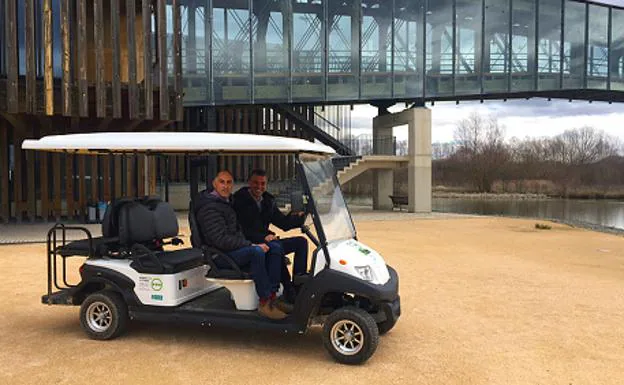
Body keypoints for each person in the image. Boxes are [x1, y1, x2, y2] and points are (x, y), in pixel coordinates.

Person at [194, 170, 289, 320]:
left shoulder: (227, 203)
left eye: (229, 182)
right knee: (257, 252)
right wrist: (250, 244)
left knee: (273, 249)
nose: (226, 186)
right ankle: (264, 302)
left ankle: (272, 296)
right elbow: (220, 239)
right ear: (214, 184)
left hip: (231, 250)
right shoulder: (210, 208)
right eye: (222, 182)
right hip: (219, 254)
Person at [233, 169, 308, 305]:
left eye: (263, 184)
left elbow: (283, 223)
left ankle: (297, 285)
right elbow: (240, 229)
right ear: (249, 182)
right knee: (276, 248)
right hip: (250, 244)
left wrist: (301, 217)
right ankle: (273, 294)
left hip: (268, 240)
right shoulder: (239, 201)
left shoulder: (267, 200)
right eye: (256, 183)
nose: (259, 187)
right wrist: (263, 237)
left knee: (301, 242)